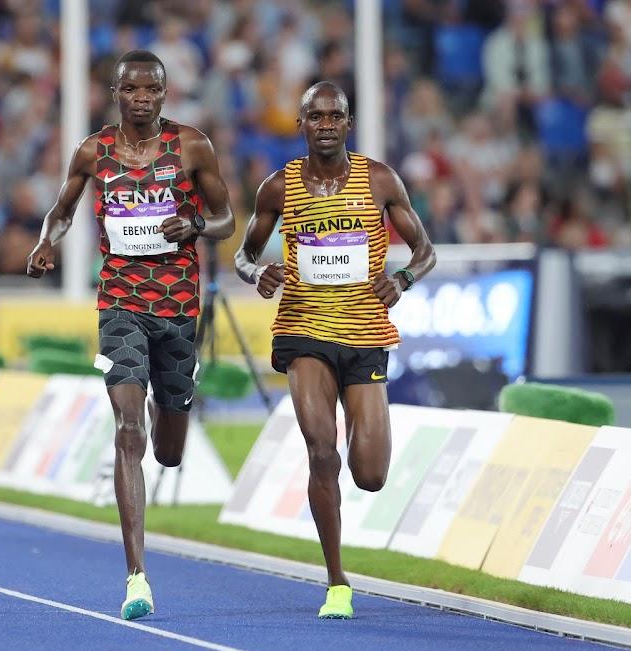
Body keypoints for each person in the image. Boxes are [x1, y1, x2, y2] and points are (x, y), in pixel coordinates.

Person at [26, 50, 235, 621]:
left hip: (177, 306)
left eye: (152, 89)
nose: (141, 98)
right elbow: (63, 209)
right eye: (131, 89)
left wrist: (194, 224)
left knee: (168, 450)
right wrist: (48, 240)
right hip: (119, 301)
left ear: (165, 94)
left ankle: (179, 403)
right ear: (115, 92)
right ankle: (136, 577)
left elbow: (225, 220)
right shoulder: (93, 151)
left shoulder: (191, 145)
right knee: (126, 428)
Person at [234, 82, 436, 619]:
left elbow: (424, 250)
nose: (325, 124)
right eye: (315, 116)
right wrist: (259, 272)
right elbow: (244, 255)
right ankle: (336, 582)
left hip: (365, 334)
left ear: (349, 123)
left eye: (335, 116)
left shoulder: (380, 180)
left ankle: (351, 486)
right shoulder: (278, 188)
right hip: (302, 331)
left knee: (370, 473)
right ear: (300, 124)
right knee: (322, 451)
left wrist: (405, 279)